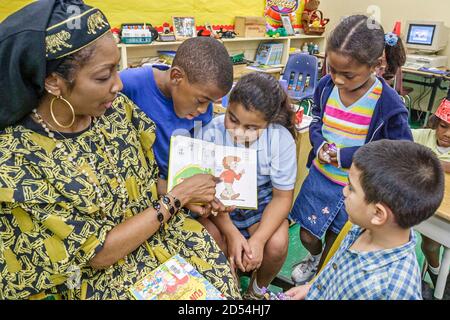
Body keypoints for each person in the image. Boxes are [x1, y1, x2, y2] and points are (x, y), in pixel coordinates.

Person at [0, 0, 240, 300]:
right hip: (96, 277)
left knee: (221, 285)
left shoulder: (116, 113)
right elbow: (98, 253)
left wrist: (192, 193)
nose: (117, 84)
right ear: (54, 82)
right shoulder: (18, 159)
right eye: (103, 76)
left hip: (157, 238)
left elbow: (143, 186)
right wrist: (176, 197)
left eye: (117, 69)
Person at [290, 14, 413, 285]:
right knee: (307, 234)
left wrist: (345, 156)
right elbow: (317, 119)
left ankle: (323, 275)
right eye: (331, 69)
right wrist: (319, 142)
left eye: (348, 74)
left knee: (339, 241)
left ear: (376, 65)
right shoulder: (325, 87)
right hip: (321, 178)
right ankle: (315, 258)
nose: (337, 79)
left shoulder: (388, 104)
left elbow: (398, 152)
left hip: (356, 190)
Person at [286, 140, 445, 300]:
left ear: (378, 213)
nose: (344, 191)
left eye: (351, 188)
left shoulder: (394, 291)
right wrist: (313, 288)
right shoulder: (362, 227)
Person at [198, 72, 297, 299]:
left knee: (277, 242)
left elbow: (282, 197)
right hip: (217, 204)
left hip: (260, 203)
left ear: (268, 123)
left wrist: (259, 239)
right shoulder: (210, 133)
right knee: (211, 237)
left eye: (252, 128)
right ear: (227, 105)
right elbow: (203, 193)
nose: (237, 132)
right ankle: (228, 289)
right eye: (232, 119)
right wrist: (231, 233)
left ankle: (255, 291)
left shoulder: (280, 140)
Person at [119, 36, 234, 217]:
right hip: (135, 191)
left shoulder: (202, 108)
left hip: (176, 186)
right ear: (176, 76)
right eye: (201, 101)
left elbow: (193, 154)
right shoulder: (130, 84)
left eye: (210, 102)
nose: (204, 110)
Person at [412, 97, 450, 288]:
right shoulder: (422, 136)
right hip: (426, 205)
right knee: (431, 243)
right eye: (443, 126)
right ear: (435, 123)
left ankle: (442, 279)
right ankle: (436, 275)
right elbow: (400, 142)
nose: (448, 133)